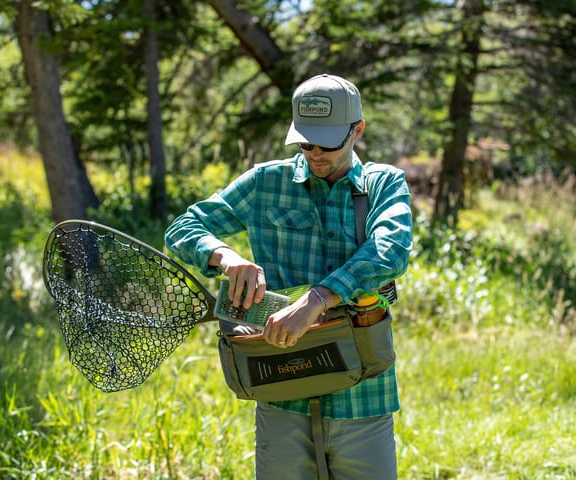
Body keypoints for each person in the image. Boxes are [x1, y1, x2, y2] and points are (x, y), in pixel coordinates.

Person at [165, 73, 412, 479]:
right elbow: (183, 228)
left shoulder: (384, 184)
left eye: (328, 143)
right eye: (305, 142)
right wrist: (225, 257)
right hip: (280, 387)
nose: (315, 154)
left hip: (363, 395)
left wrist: (316, 301)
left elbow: (391, 250)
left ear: (358, 130)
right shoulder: (266, 182)